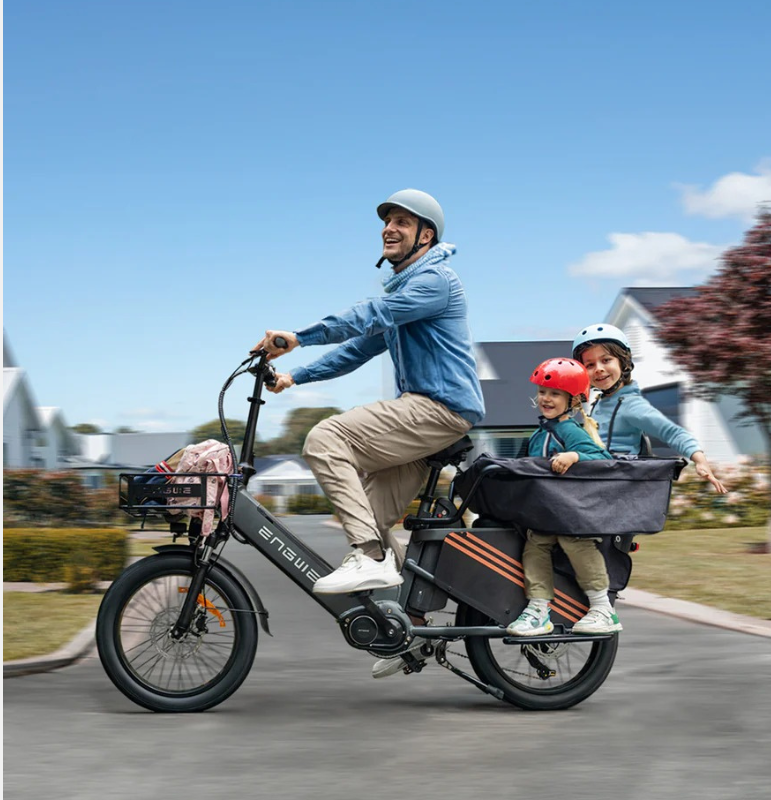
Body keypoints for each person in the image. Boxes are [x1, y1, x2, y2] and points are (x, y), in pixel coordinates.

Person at [251, 189, 485, 606]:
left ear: (425, 236)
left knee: (325, 440)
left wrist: (299, 338)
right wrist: (293, 377)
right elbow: (358, 348)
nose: (389, 229)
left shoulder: (434, 282)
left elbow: (371, 315)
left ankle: (372, 558)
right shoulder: (404, 290)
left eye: (402, 222)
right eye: (387, 221)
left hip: (439, 410)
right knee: (367, 521)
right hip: (424, 419)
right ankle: (406, 626)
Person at [506, 358, 623, 637]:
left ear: (572, 401)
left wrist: (574, 455)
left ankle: (602, 608)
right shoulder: (539, 433)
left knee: (577, 543)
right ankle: (538, 608)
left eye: (556, 394)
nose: (546, 398)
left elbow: (602, 458)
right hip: (547, 512)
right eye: (543, 392)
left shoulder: (569, 430)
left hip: (574, 513)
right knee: (535, 546)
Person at [571, 323, 727, 493]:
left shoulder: (630, 405)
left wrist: (699, 460)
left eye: (606, 360)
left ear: (623, 362)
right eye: (590, 365)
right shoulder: (600, 402)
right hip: (596, 481)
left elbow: (671, 432)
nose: (599, 369)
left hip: (617, 486)